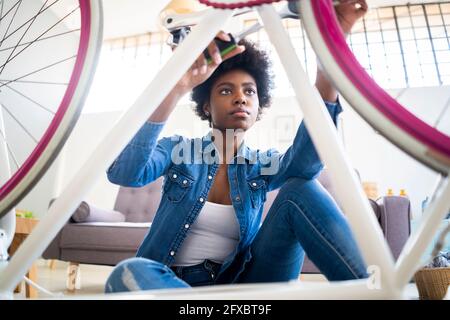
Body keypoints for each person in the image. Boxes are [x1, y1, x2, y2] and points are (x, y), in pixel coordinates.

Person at [105, 1, 369, 293]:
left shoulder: (262, 164)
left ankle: (372, 293)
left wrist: (330, 53)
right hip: (169, 282)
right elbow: (125, 173)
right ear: (206, 105)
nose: (240, 98)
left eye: (249, 92)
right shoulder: (178, 150)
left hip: (242, 283)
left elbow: (306, 164)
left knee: (301, 187)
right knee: (130, 270)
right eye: (226, 90)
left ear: (258, 107)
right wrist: (177, 87)